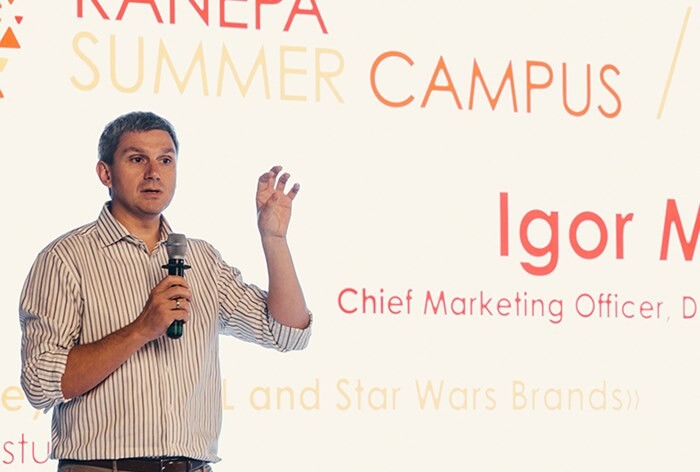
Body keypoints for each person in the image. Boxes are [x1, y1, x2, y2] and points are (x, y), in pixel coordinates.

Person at [19, 111, 312, 472]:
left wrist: (274, 238)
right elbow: (40, 383)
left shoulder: (202, 259)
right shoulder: (65, 259)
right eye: (137, 159)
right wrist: (140, 330)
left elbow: (286, 332)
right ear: (105, 173)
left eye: (165, 160)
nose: (153, 172)